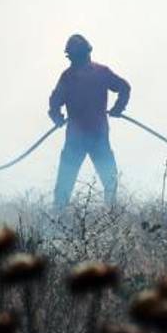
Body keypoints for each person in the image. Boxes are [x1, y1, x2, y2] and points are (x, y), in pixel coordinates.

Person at [48, 34, 131, 209]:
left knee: (66, 183)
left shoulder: (69, 76)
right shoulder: (99, 73)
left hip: (82, 138)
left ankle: (58, 215)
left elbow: (55, 102)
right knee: (110, 181)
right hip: (95, 136)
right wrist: (118, 108)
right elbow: (124, 87)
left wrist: (57, 117)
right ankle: (112, 216)